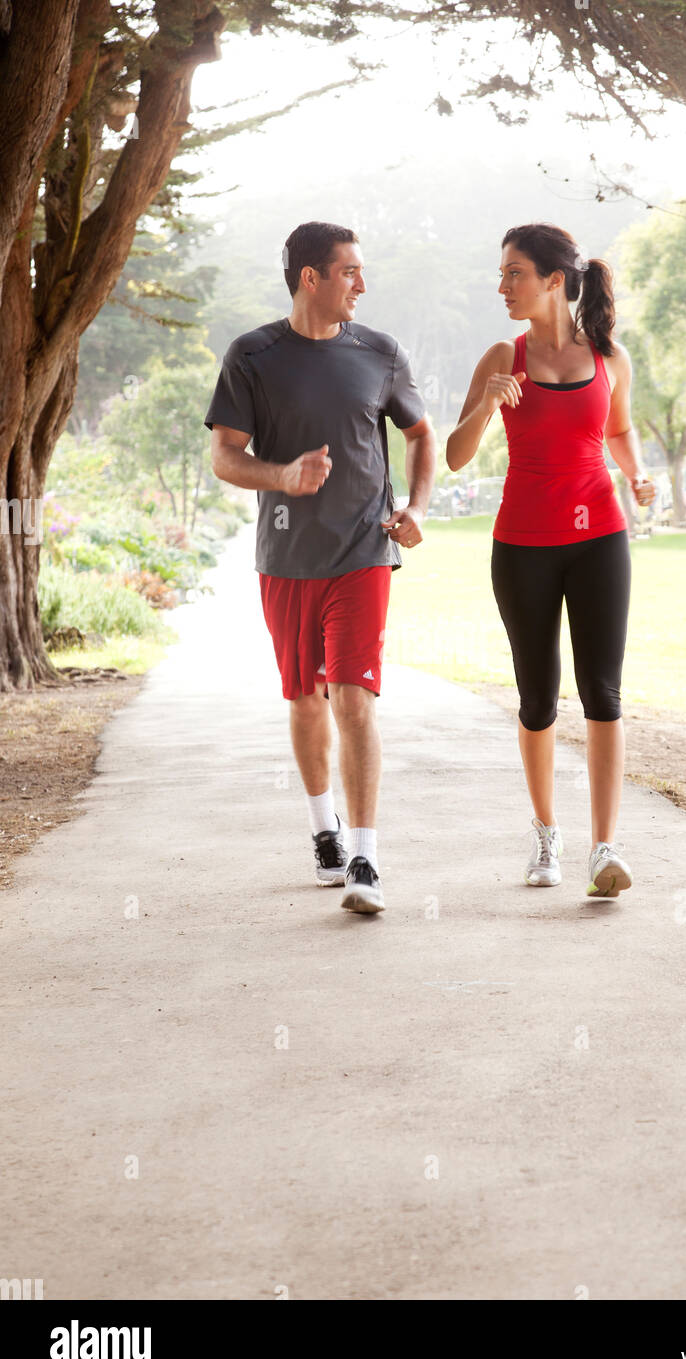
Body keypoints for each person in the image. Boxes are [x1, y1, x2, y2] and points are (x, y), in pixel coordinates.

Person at [205, 222, 435, 914]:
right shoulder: (252, 356)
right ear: (311, 277)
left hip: (363, 551)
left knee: (353, 697)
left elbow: (422, 435)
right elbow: (224, 455)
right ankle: (324, 833)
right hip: (285, 559)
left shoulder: (380, 354)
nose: (361, 285)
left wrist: (417, 506)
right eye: (349, 272)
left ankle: (365, 856)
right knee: (306, 699)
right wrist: (282, 476)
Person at [446, 223, 655, 899]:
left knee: (603, 694)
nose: (503, 286)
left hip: (600, 540)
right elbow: (454, 454)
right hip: (523, 548)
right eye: (503, 274)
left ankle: (604, 847)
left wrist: (639, 474)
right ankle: (545, 835)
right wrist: (486, 403)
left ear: (555, 281)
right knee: (537, 701)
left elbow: (618, 429)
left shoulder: (609, 359)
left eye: (515, 274)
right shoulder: (501, 356)